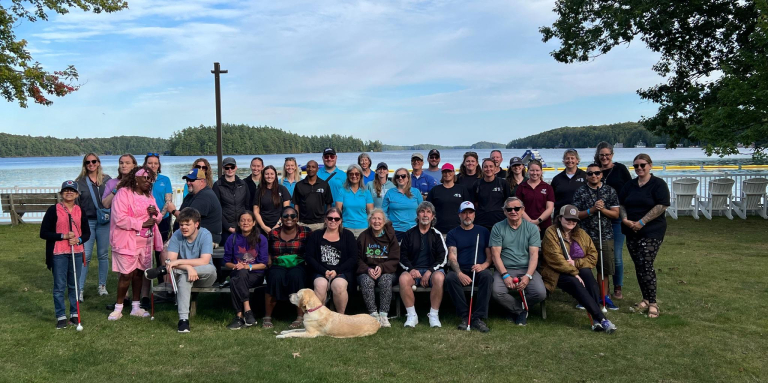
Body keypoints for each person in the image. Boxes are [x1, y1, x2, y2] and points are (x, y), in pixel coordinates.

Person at [540, 205, 617, 333]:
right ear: (560, 218)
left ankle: (597, 321)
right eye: (568, 218)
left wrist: (576, 263)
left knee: (589, 278)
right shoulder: (551, 232)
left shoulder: (581, 233)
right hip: (556, 271)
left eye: (574, 220)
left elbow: (593, 256)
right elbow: (555, 259)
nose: (571, 222)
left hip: (577, 269)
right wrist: (574, 273)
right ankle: (602, 319)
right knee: (576, 283)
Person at [107, 167, 163, 321]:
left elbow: (158, 218)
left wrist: (155, 213)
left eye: (150, 179)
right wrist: (142, 223)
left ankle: (136, 307)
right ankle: (118, 308)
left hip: (144, 242)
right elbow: (119, 219)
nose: (148, 181)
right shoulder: (123, 194)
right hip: (126, 241)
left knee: (139, 273)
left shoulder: (149, 196)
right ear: (135, 178)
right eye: (145, 178)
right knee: (126, 274)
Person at [619, 154, 669, 319]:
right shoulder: (630, 185)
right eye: (636, 166)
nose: (639, 168)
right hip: (631, 230)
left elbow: (661, 205)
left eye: (642, 165)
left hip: (652, 230)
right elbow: (622, 204)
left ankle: (653, 303)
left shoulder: (658, 184)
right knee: (639, 265)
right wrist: (625, 219)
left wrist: (642, 222)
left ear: (650, 165)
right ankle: (645, 299)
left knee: (646, 263)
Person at [40, 180, 91, 329]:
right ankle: (61, 316)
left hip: (76, 252)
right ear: (61, 193)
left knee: (74, 285)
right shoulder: (53, 210)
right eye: (66, 190)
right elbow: (44, 233)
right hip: (58, 253)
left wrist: (78, 239)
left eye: (72, 191)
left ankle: (74, 315)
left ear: (76, 194)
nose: (69, 193)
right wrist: (62, 236)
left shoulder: (80, 210)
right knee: (59, 286)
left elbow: (87, 233)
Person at [490, 197, 547, 326]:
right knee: (496, 292)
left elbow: (534, 255)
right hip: (504, 269)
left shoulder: (532, 229)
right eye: (509, 209)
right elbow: (495, 255)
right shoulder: (498, 228)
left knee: (540, 293)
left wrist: (528, 276)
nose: (513, 211)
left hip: (527, 268)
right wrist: (505, 275)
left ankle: (514, 309)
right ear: (504, 211)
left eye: (517, 208)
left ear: (523, 210)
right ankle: (521, 311)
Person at [573, 163, 621, 310]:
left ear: (601, 174)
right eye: (590, 173)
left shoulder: (609, 191)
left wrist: (603, 209)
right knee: (584, 269)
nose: (593, 176)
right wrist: (592, 210)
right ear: (586, 175)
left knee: (604, 269)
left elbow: (615, 214)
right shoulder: (580, 191)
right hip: (585, 236)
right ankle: (586, 297)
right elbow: (576, 215)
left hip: (604, 235)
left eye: (597, 173)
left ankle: (604, 297)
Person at [164, 208, 218, 333]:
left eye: (187, 224)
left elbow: (204, 261)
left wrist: (178, 262)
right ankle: (183, 321)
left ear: (196, 224)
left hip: (205, 275)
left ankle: (183, 320)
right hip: (186, 274)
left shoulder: (205, 234)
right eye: (181, 224)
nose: (184, 227)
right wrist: (188, 267)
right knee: (184, 277)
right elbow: (170, 261)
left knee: (210, 268)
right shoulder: (177, 234)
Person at [398, 202, 448, 328]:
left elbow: (443, 257)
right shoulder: (409, 234)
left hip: (432, 271)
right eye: (422, 211)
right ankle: (412, 316)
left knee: (439, 277)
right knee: (403, 278)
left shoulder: (437, 235)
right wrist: (411, 269)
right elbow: (402, 256)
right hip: (413, 270)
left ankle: (433, 315)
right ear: (417, 215)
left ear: (433, 216)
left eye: (428, 212)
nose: (425, 215)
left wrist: (430, 271)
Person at [445, 201, 492, 332]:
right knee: (450, 278)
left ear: (474, 215)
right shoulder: (453, 233)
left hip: (479, 269)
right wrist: (459, 273)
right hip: (462, 268)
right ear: (459, 215)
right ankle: (465, 316)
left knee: (488, 276)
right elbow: (452, 257)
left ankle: (478, 317)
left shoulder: (483, 231)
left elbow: (490, 256)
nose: (467, 216)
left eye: (470, 212)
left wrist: (484, 265)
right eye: (464, 213)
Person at [595, 141, 632, 300]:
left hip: (617, 217)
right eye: (602, 155)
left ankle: (618, 286)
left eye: (607, 155)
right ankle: (604, 288)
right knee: (599, 255)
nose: (604, 157)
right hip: (598, 218)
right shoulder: (594, 171)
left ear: (612, 155)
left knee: (616, 254)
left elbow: (630, 188)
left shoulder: (621, 169)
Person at [264, 206, 311, 329]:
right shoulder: (273, 233)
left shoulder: (306, 231)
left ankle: (300, 316)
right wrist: (269, 258)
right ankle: (268, 316)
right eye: (285, 216)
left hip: (298, 264)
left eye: (292, 216)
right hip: (277, 264)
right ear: (281, 218)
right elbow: (267, 249)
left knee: (296, 276)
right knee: (275, 276)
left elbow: (311, 249)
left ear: (297, 218)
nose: (289, 218)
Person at [304, 208, 358, 314]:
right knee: (320, 285)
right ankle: (319, 318)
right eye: (330, 218)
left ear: (341, 221)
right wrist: (323, 271)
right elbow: (309, 257)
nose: (333, 221)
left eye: (336, 219)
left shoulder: (348, 235)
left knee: (339, 285)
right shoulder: (316, 235)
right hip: (320, 271)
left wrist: (337, 271)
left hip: (341, 272)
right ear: (325, 219)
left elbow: (353, 258)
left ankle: (340, 317)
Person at [75, 153, 112, 300]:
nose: (91, 164)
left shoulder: (107, 180)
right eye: (88, 162)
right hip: (88, 222)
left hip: (104, 221)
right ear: (85, 165)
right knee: (86, 255)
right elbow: (76, 205)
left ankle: (102, 286)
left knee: (103, 254)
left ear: (98, 163)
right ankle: (80, 289)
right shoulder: (79, 182)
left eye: (93, 161)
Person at [223, 211, 268, 330]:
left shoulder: (261, 239)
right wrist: (235, 266)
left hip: (255, 275)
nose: (245, 223)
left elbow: (263, 264)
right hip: (238, 272)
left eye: (249, 220)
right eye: (242, 220)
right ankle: (248, 312)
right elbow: (226, 262)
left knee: (235, 281)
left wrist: (248, 266)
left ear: (254, 223)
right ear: (238, 222)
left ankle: (239, 316)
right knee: (239, 275)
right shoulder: (232, 238)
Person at [357, 209, 400, 328]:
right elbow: (357, 259)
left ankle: (383, 315)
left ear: (384, 221)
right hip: (367, 271)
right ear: (369, 220)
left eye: (379, 219)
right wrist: (367, 269)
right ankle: (373, 315)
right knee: (366, 281)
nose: (376, 221)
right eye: (374, 218)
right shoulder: (363, 236)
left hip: (387, 271)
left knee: (386, 280)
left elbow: (395, 258)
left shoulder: (391, 237)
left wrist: (381, 267)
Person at [175, 168, 223, 244]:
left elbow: (187, 218)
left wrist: (173, 211)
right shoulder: (190, 195)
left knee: (166, 251)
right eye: (187, 180)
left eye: (192, 180)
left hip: (207, 239)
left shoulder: (205, 196)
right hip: (192, 237)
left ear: (202, 181)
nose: (188, 183)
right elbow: (182, 213)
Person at [213, 157, 251, 246]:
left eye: (232, 167)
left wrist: (245, 224)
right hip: (225, 228)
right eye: (227, 168)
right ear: (223, 169)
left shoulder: (243, 184)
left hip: (242, 226)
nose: (230, 170)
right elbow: (217, 210)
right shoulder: (217, 185)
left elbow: (247, 206)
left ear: (236, 168)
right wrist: (228, 227)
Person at [427, 163, 470, 234]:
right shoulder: (435, 190)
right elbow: (428, 209)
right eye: (444, 172)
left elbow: (468, 208)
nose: (447, 174)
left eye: (449, 171)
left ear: (454, 172)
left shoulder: (461, 189)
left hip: (459, 229)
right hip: (438, 229)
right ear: (442, 173)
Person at [515, 160, 555, 236]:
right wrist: (531, 223)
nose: (535, 173)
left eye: (537, 170)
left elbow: (550, 208)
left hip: (544, 225)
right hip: (525, 224)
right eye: (532, 170)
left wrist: (537, 221)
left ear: (541, 171)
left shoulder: (548, 187)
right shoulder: (521, 187)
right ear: (528, 171)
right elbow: (519, 207)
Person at [382, 168, 423, 241]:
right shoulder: (390, 193)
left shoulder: (416, 192)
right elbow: (383, 212)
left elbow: (422, 210)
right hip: (395, 230)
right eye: (398, 176)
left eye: (403, 176)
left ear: (408, 178)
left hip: (414, 229)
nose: (400, 178)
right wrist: (388, 226)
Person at [292, 160, 334, 232]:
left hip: (320, 223)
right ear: (306, 169)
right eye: (308, 167)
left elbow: (329, 204)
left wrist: (326, 220)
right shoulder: (299, 185)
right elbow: (296, 204)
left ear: (317, 169)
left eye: (313, 167)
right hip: (303, 223)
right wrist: (297, 221)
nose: (310, 169)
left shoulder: (324, 185)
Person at [335, 164, 374, 238]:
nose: (354, 176)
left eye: (357, 174)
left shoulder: (366, 192)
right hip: (346, 228)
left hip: (363, 229)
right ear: (348, 176)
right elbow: (338, 211)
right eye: (351, 174)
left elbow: (370, 213)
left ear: (361, 176)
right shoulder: (342, 191)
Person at [473, 158, 512, 231]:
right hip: (481, 221)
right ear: (482, 169)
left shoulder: (503, 183)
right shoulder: (477, 184)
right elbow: (475, 203)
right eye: (485, 167)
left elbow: (508, 203)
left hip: (500, 222)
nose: (488, 169)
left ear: (495, 168)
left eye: (491, 166)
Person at [143, 153, 174, 241]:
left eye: (156, 163)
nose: (153, 166)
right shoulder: (141, 179)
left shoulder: (165, 179)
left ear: (159, 165)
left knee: (161, 248)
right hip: (145, 218)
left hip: (163, 218)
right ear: (145, 164)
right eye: (150, 163)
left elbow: (168, 200)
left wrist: (160, 216)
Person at [253, 165, 291, 234]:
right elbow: (256, 211)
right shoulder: (259, 191)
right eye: (267, 174)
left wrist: (278, 225)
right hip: (262, 227)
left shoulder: (282, 189)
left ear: (275, 175)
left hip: (280, 226)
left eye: (272, 174)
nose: (269, 176)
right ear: (263, 176)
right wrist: (263, 227)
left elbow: (286, 210)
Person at [551, 149, 588, 213]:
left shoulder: (585, 176)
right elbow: (551, 199)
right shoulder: (556, 179)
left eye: (572, 158)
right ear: (563, 161)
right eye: (567, 158)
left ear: (577, 160)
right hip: (561, 215)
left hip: (581, 215)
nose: (570, 160)